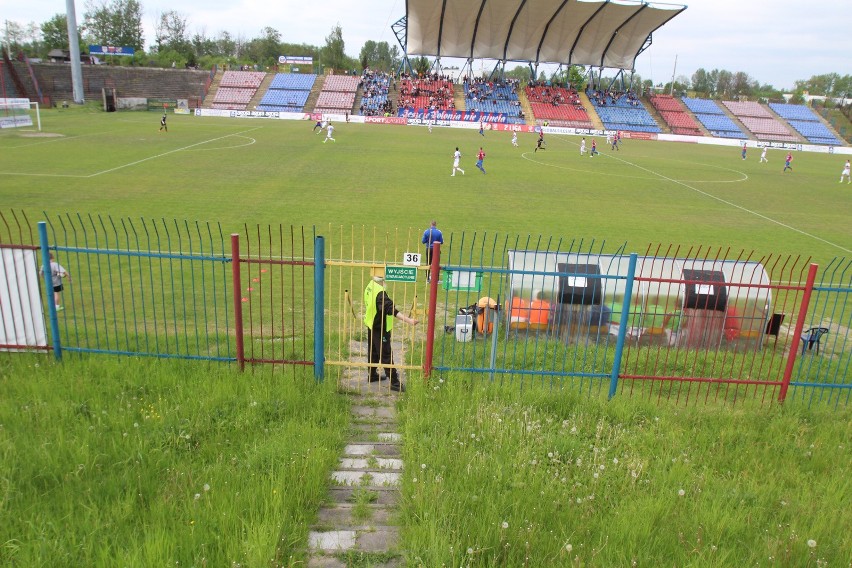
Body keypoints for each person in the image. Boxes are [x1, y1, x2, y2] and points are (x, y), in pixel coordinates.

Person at [364, 272, 418, 392]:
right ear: (382, 280)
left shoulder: (370, 285)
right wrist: (409, 320)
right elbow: (391, 309)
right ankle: (394, 382)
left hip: (371, 324)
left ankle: (372, 375)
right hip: (380, 327)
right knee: (385, 353)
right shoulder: (381, 294)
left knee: (373, 351)